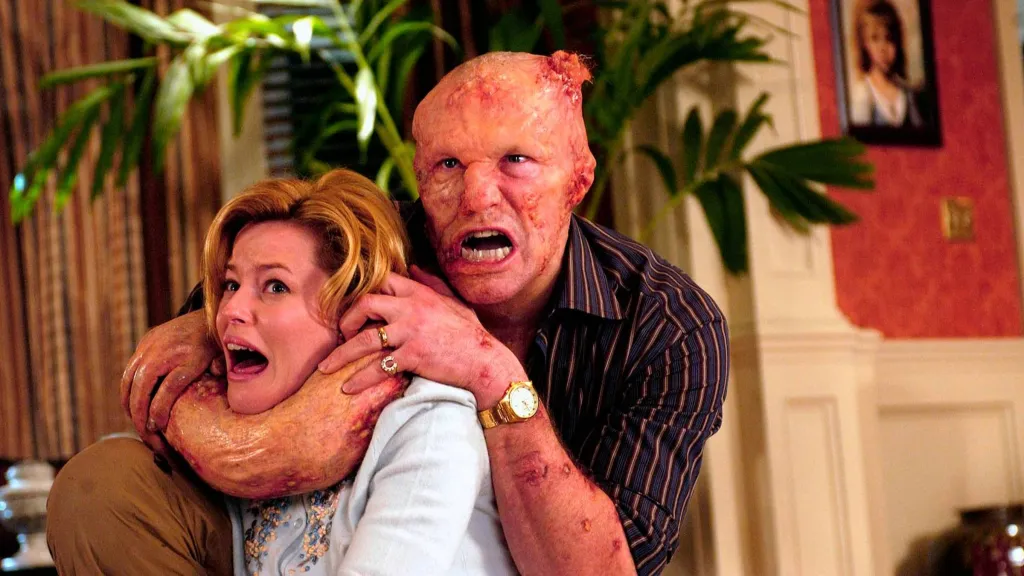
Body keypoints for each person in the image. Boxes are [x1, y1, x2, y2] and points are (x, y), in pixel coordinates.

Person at [53, 50, 729, 575]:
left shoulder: (669, 325)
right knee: (104, 488)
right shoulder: (366, 246)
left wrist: (490, 373)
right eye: (448, 164)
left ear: (579, 178)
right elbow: (236, 315)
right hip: (284, 539)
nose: (477, 195)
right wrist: (203, 324)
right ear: (419, 175)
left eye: (517, 160)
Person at [49, 170, 517, 575]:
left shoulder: (430, 425)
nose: (232, 310)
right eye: (231, 284)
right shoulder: (246, 422)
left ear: (354, 311)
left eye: (275, 286)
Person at [848, 0, 924, 128]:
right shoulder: (864, 93)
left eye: (889, 39)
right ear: (864, 44)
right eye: (875, 39)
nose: (882, 48)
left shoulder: (907, 93)